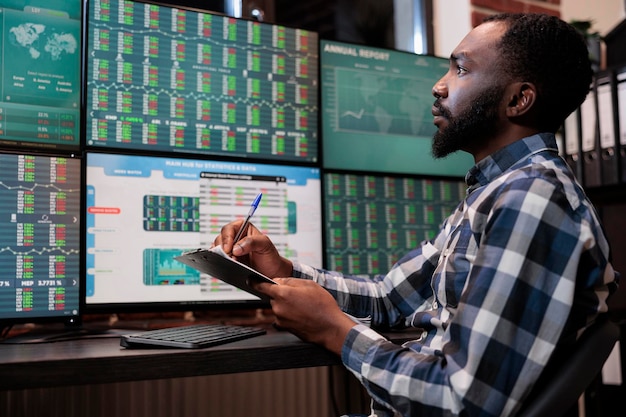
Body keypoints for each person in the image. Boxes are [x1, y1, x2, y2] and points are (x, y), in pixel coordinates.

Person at [214, 13, 619, 417]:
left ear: (518, 99)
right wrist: (281, 270)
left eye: (460, 69)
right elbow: (390, 298)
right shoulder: (495, 192)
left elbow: (464, 400)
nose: (439, 85)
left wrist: (336, 331)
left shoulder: (533, 199)